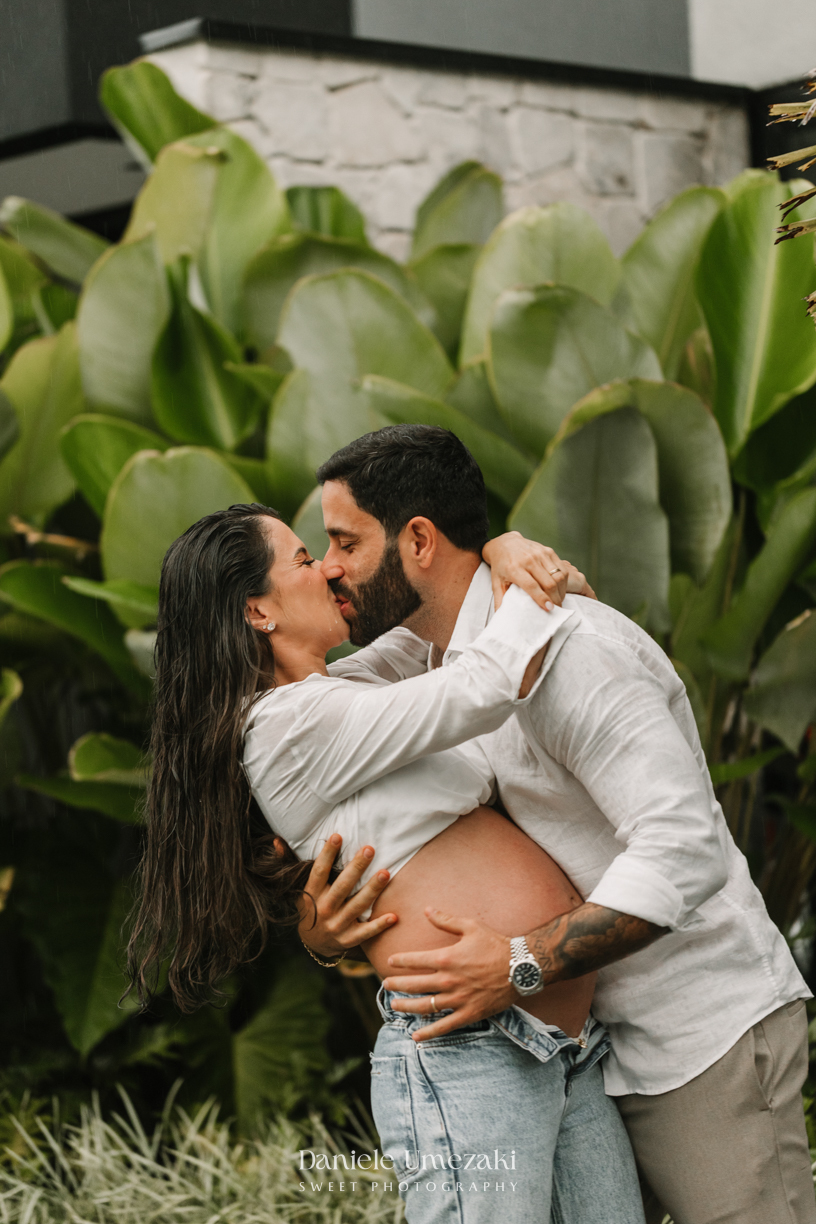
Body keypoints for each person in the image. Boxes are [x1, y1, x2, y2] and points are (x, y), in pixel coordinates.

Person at [298, 423, 815, 1224]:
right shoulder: (428, 666)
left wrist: (519, 965)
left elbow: (683, 849)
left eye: (345, 542)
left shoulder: (573, 650)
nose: (329, 565)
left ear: (420, 542)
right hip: (578, 1056)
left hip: (698, 1036)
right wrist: (322, 932)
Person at [126, 499, 646, 1224]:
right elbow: (480, 684)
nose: (327, 569)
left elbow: (443, 620)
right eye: (303, 559)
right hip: (468, 1053)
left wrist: (499, 549)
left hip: (558, 1046)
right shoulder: (284, 725)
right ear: (257, 612)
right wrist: (525, 574)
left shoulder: (340, 690)